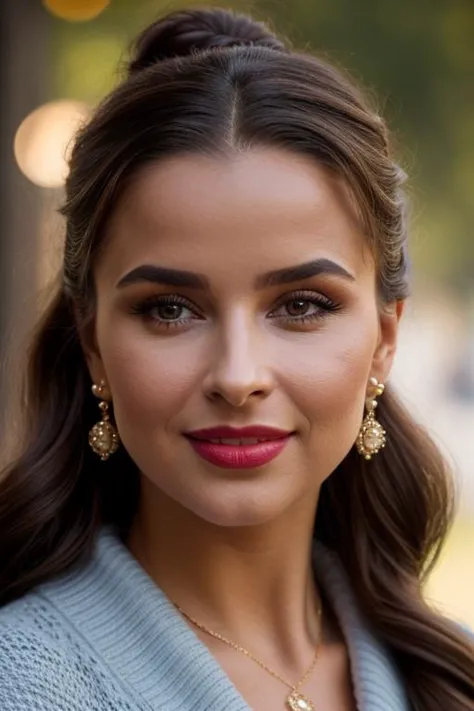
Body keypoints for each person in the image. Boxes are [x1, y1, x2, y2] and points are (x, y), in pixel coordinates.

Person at [0, 7, 472, 711]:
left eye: (302, 304)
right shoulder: (23, 680)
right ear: (93, 341)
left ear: (384, 339)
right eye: (169, 308)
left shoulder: (448, 675)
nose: (238, 375)